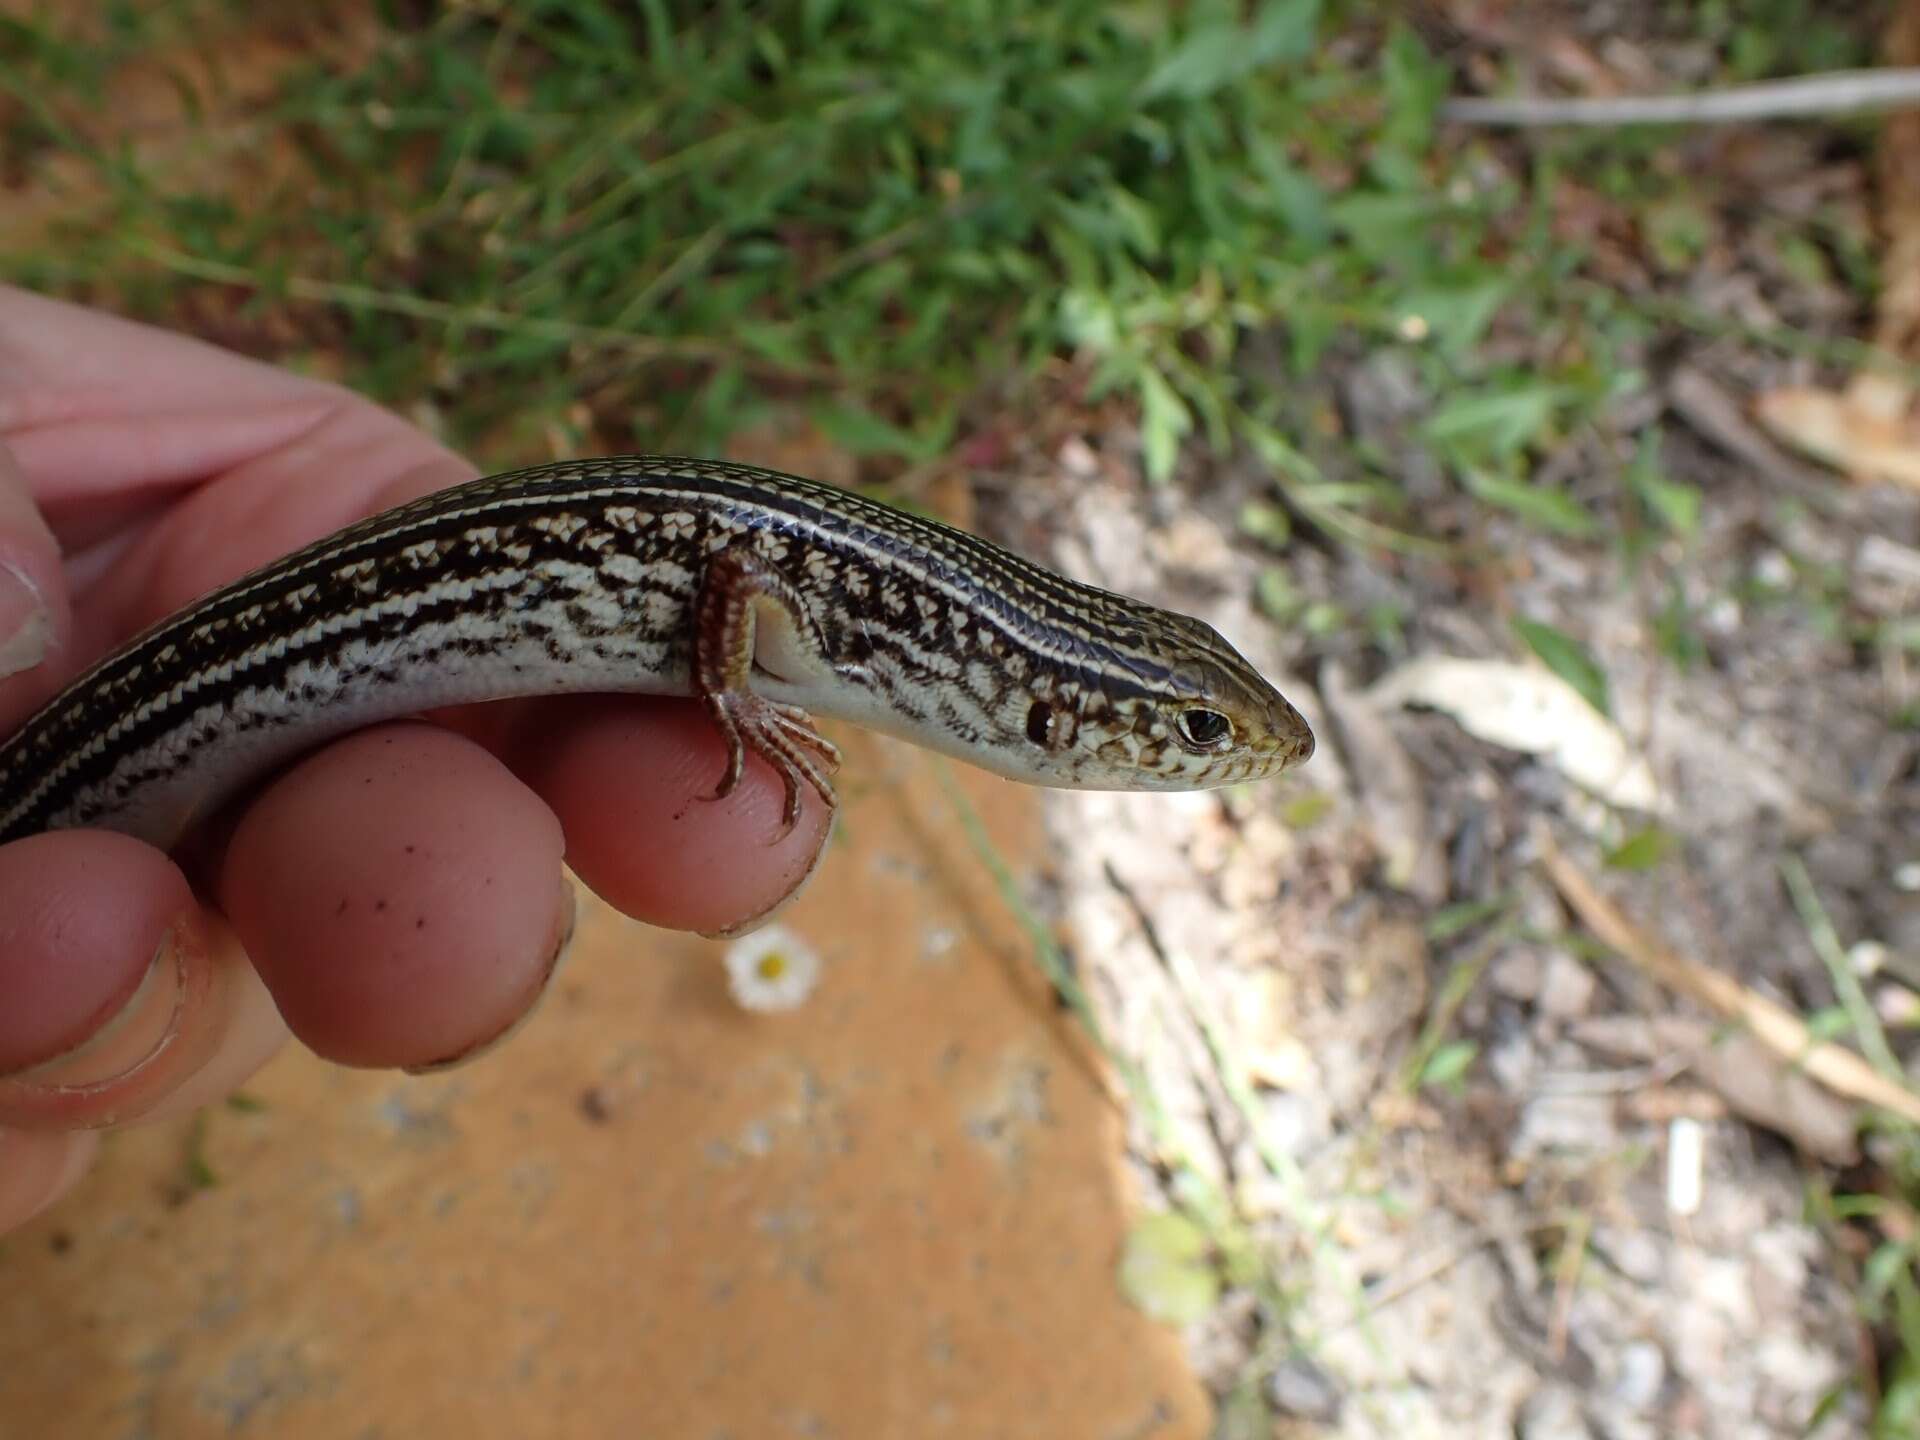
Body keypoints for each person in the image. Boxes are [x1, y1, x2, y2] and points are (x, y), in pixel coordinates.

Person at [0, 287, 832, 1233]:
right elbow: (744, 572)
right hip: (124, 732)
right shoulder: (788, 595)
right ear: (1044, 717)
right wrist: (726, 691)